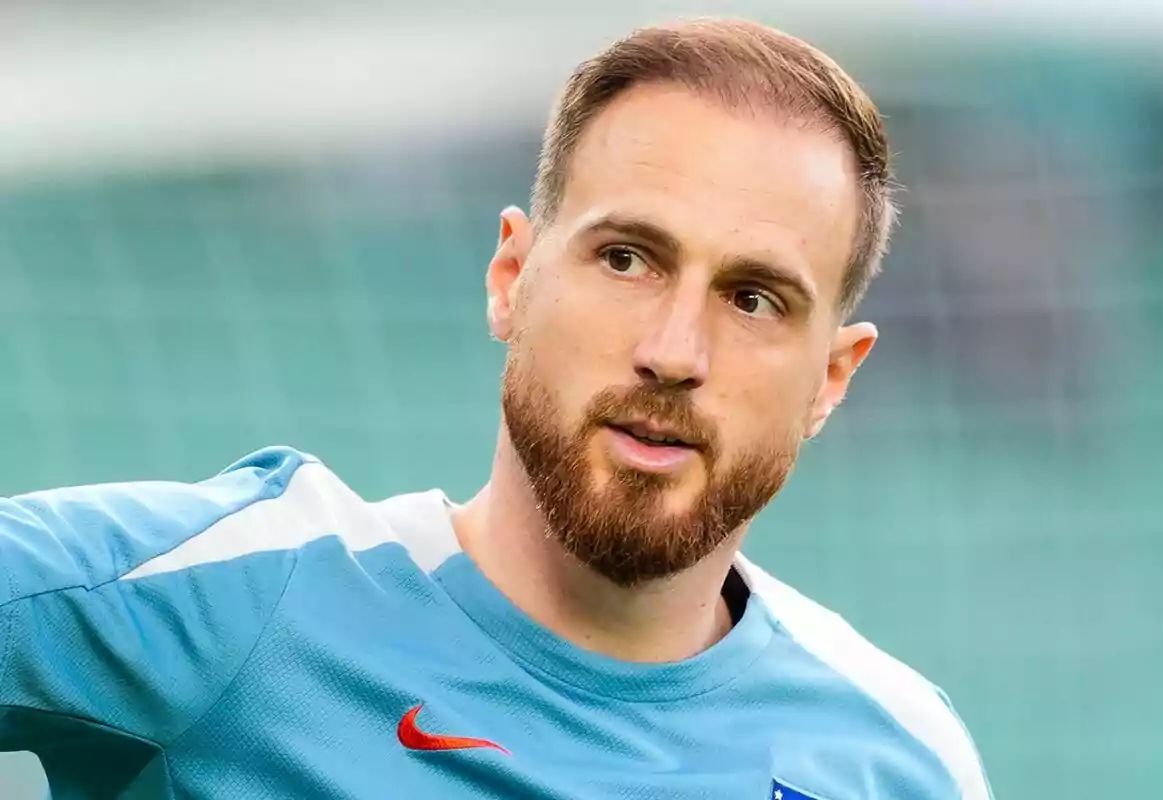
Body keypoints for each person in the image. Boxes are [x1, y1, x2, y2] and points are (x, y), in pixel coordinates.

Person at [0, 18, 992, 800]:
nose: (674, 352)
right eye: (626, 258)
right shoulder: (236, 601)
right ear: (512, 274)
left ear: (831, 378)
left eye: (753, 298)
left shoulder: (900, 756)